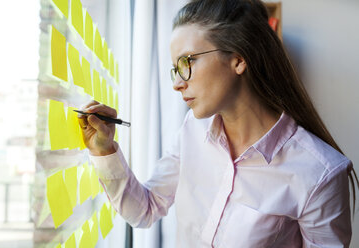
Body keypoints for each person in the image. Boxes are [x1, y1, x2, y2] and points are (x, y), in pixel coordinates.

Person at [78, 0, 357, 247]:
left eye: (187, 62)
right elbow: (145, 209)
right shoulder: (192, 130)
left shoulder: (321, 174)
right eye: (175, 69)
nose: (177, 83)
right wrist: (104, 149)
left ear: (238, 59)